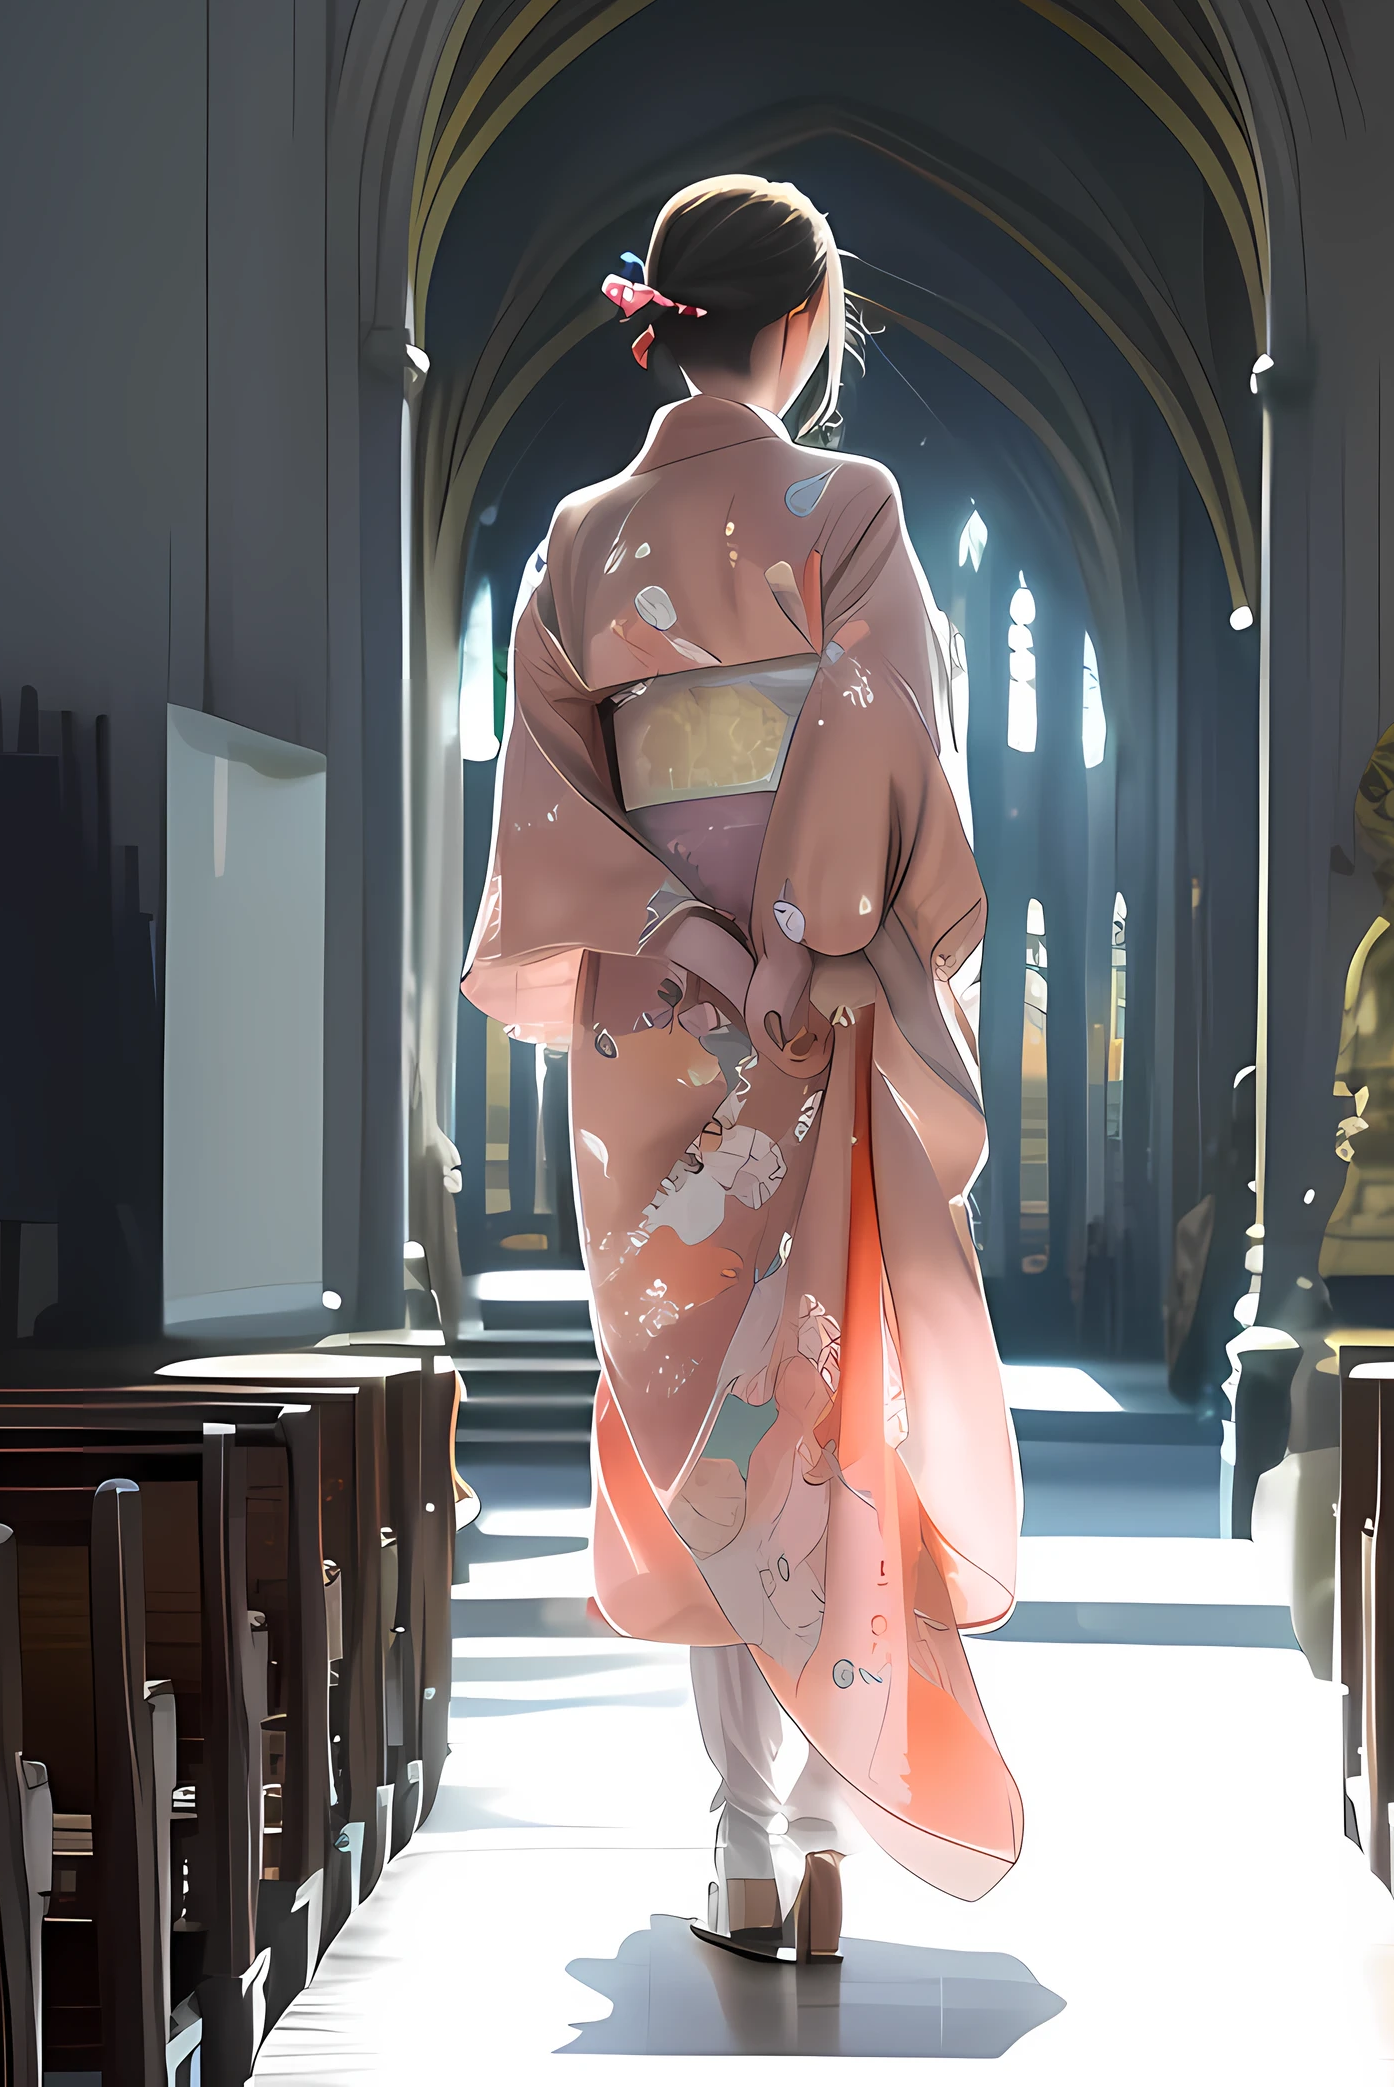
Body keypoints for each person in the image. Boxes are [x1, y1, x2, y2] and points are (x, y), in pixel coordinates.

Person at [461, 172, 1024, 1958]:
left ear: (672, 323)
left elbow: (549, 798)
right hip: (822, 1006)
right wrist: (793, 931)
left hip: (651, 1030)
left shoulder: (575, 539)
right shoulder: (843, 504)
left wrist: (696, 941)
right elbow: (886, 716)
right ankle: (837, 1823)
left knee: (701, 1410)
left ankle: (738, 1847)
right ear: (799, 329)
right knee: (830, 1402)